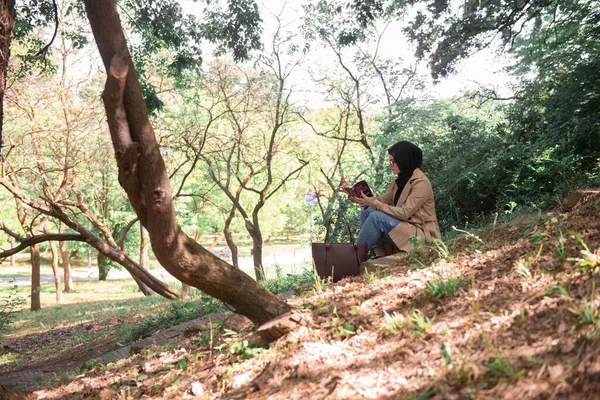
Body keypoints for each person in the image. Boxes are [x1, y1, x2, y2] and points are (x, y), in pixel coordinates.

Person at [354, 140, 440, 257]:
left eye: (393, 161)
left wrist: (376, 204)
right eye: (389, 161)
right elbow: (379, 201)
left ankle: (352, 257)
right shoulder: (399, 182)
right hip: (406, 229)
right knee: (367, 211)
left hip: (420, 235)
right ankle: (380, 256)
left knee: (376, 217)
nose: (390, 165)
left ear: (404, 160)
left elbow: (405, 212)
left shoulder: (421, 183)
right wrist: (353, 194)